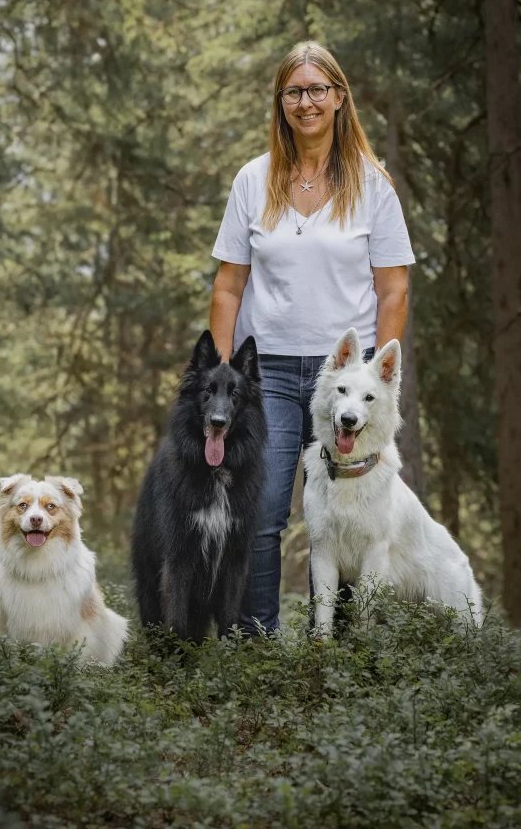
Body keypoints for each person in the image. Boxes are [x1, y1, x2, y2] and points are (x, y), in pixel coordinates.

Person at [209, 41, 415, 634]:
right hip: (266, 373)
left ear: (339, 97)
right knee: (263, 512)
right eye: (295, 91)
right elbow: (228, 287)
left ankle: (344, 650)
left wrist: (375, 377)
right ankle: (257, 644)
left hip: (346, 384)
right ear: (281, 102)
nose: (307, 102)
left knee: (351, 516)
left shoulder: (373, 185)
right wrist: (225, 375)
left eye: (318, 89)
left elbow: (393, 291)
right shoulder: (253, 180)